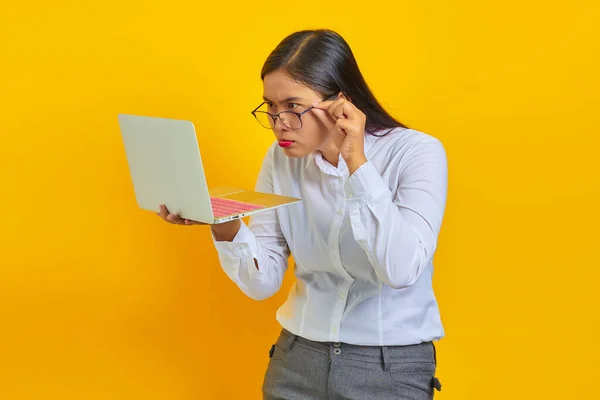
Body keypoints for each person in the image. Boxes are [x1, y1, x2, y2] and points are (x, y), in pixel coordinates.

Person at [158, 29, 447, 400]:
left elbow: (402, 270)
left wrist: (356, 163)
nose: (279, 122)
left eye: (293, 107)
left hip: (387, 367)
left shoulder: (416, 153)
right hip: (297, 358)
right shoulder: (280, 160)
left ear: (341, 102)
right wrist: (225, 223)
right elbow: (262, 284)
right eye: (271, 107)